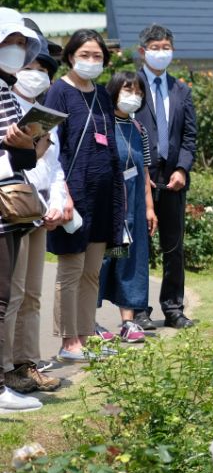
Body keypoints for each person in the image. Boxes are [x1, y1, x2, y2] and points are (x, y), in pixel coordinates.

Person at [44, 29, 126, 363]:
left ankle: (86, 334)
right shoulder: (58, 93)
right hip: (72, 194)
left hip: (103, 194)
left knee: (92, 270)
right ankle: (68, 341)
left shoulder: (103, 95)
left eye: (97, 56)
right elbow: (51, 148)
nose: (92, 61)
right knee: (70, 270)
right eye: (85, 55)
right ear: (70, 55)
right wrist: (61, 193)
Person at [3, 22, 68, 393]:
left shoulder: (40, 113)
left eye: (43, 68)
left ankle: (27, 362)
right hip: (11, 206)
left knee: (31, 293)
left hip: (36, 209)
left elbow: (53, 167)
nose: (36, 74)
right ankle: (6, 367)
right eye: (31, 67)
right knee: (10, 293)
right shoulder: (6, 102)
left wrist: (56, 202)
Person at [132, 24, 196, 330]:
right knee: (139, 246)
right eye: (155, 47)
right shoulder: (131, 87)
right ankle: (138, 310)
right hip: (140, 176)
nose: (162, 52)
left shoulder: (181, 90)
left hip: (173, 179)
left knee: (174, 246)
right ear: (142, 51)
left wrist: (183, 168)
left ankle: (173, 308)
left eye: (166, 47)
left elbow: (189, 136)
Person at [0, 12, 44, 411]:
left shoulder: (5, 89)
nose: (16, 49)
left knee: (3, 296)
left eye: (20, 42)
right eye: (9, 40)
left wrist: (27, 143)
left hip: (8, 209)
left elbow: (22, 158)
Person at [98, 72, 157, 343]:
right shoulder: (102, 124)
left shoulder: (138, 129)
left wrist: (149, 208)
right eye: (127, 89)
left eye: (138, 92)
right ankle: (89, 319)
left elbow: (144, 171)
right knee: (103, 259)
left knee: (131, 259)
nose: (133, 96)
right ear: (113, 91)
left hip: (133, 202)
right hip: (109, 202)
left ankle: (128, 322)